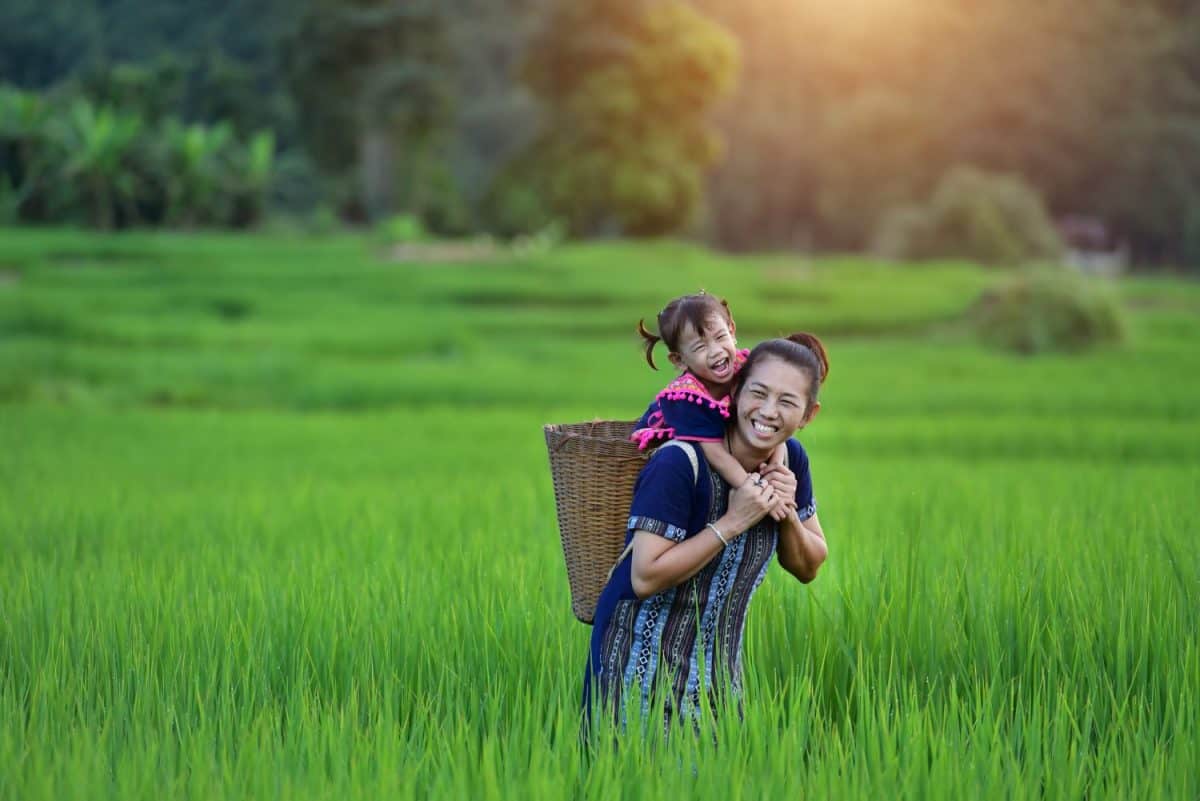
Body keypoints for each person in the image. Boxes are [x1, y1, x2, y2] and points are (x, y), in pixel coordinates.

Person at [583, 335, 831, 732]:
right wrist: (734, 521)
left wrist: (784, 514)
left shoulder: (792, 461)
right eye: (758, 393)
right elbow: (644, 576)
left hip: (717, 679)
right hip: (636, 671)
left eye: (787, 402)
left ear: (808, 414)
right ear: (734, 390)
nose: (768, 412)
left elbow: (809, 565)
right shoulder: (679, 463)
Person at [633, 293, 824, 522]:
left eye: (720, 336)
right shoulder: (686, 399)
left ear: (732, 330)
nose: (716, 351)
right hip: (673, 447)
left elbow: (776, 433)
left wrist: (775, 470)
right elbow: (714, 452)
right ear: (679, 360)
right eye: (700, 347)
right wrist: (755, 490)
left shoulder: (747, 367)